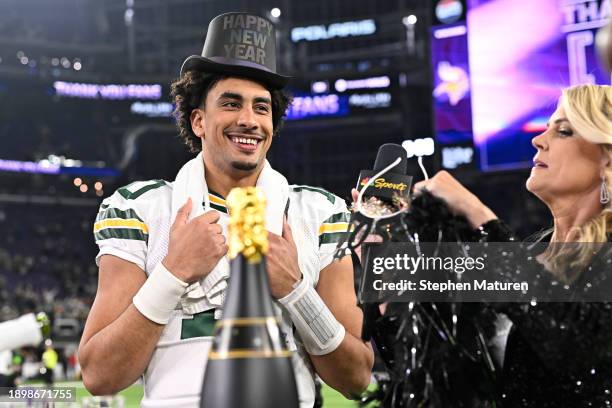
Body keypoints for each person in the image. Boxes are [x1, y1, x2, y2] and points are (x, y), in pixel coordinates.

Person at [78, 12, 373, 408]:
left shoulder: (321, 212)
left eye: (261, 108)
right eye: (231, 104)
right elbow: (99, 375)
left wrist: (296, 289)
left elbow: (356, 379)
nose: (249, 120)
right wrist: (173, 271)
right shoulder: (137, 208)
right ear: (198, 120)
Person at [412, 83, 612, 406]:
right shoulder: (529, 253)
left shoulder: (512, 257)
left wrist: (479, 216)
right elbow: (450, 370)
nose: (538, 139)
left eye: (563, 131)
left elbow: (579, 349)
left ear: (606, 160)